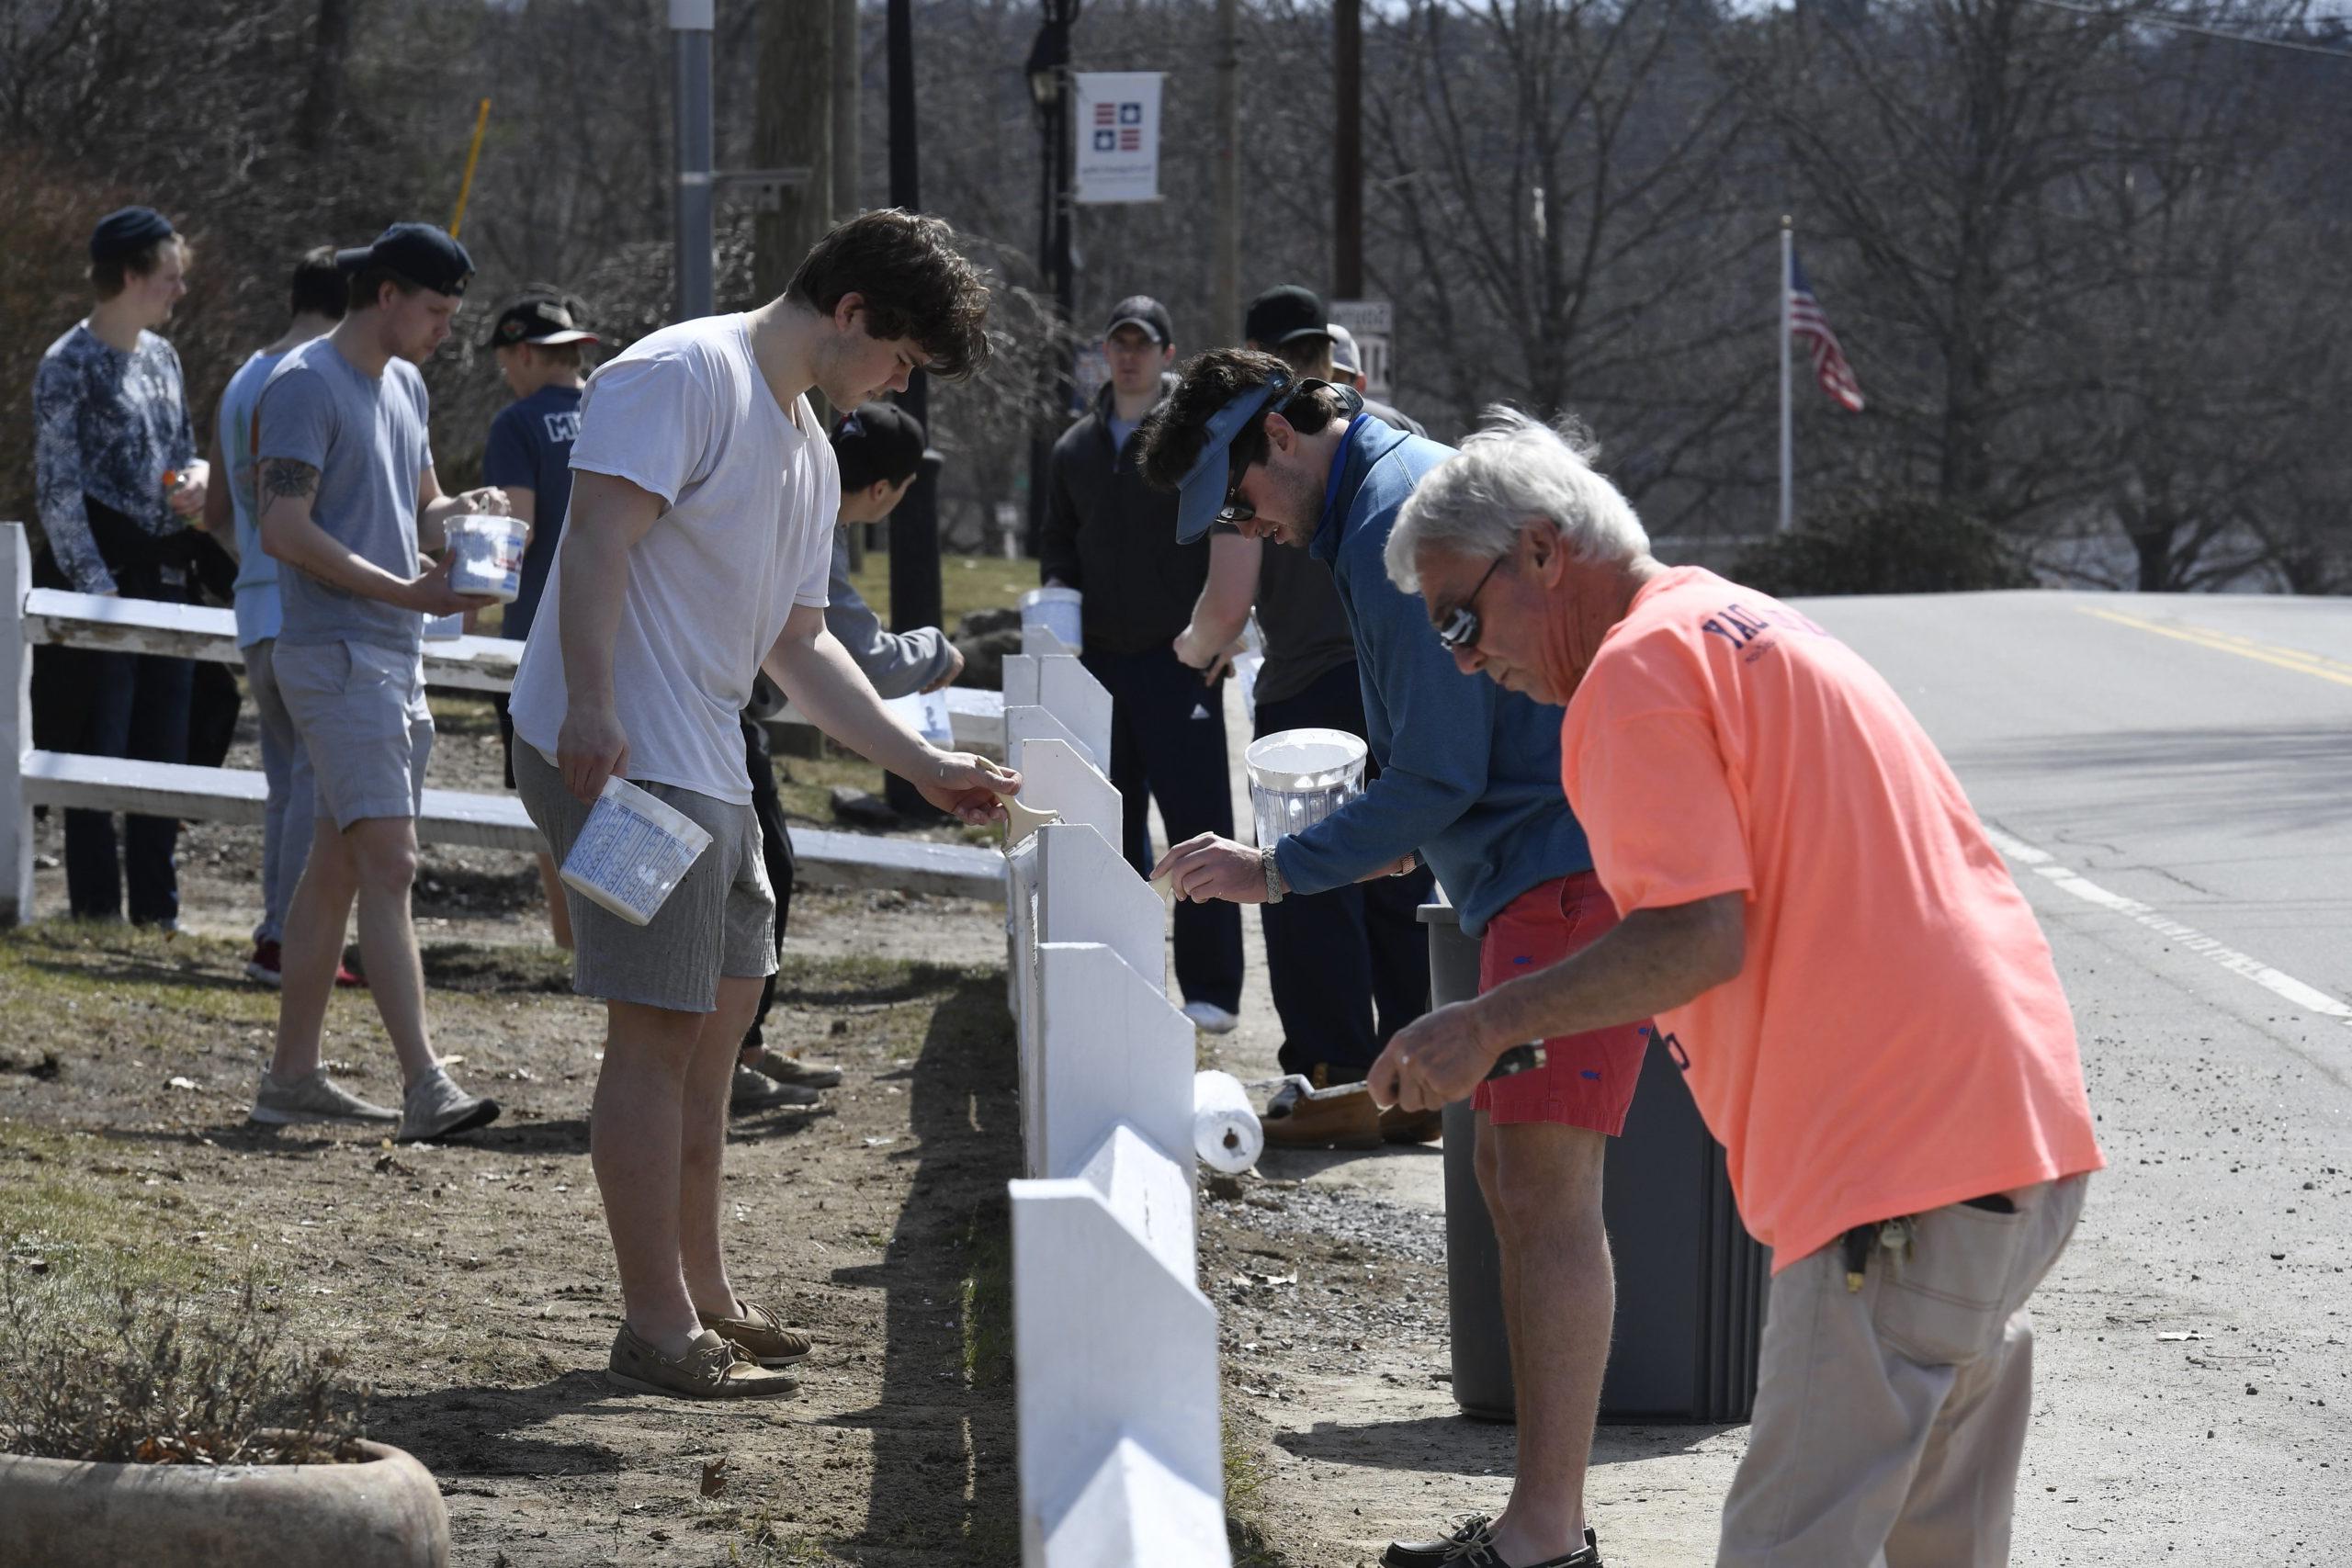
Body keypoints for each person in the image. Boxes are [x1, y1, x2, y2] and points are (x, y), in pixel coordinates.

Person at [1374, 409, 2107, 1568]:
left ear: (1543, 552)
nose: (1464, 659)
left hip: (1895, 1175)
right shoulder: (1747, 623)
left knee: (1785, 1549)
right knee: (1940, 1548)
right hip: (2016, 1136)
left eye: (1460, 617)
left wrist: (1489, 1021)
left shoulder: (1633, 671)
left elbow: (1694, 935)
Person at [1140, 352, 1640, 1568]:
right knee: (1516, 1190)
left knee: (1545, 1194)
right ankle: (1544, 1523)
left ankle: (1544, 1535)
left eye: (1235, 492)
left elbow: (1440, 772)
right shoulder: (1384, 490)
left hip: (1564, 869)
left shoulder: (1383, 519)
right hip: (1537, 864)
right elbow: (1436, 752)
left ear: (1281, 434)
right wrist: (1375, 832)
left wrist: (1278, 865)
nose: (1241, 522)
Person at [507, 209, 1016, 1399]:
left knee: (718, 1032)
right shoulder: (683, 373)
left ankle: (705, 1292)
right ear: (849, 315)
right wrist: (590, 703)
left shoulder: (811, 447)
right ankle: (654, 1321)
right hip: (622, 764)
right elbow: (594, 545)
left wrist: (919, 761)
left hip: (712, 768)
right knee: (655, 1029)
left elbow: (803, 649)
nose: (896, 385)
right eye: (898, 359)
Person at [245, 222, 507, 1145]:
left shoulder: (406, 383)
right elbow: (283, 526)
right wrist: (405, 587)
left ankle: (291, 1079)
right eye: (436, 311)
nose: (445, 329)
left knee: (337, 869)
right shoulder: (304, 385)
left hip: (394, 654)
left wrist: (461, 512)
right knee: (390, 863)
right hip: (334, 653)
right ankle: (425, 1083)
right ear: (387, 293)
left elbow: (421, 503)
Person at [1169, 283, 1431, 1141]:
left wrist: (1191, 652)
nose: (1250, 524)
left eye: (1243, 509)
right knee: (1397, 877)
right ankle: (1418, 1076)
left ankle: (1333, 1078)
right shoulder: (1386, 438)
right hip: (1376, 684)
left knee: (1318, 891)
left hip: (1309, 694)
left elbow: (1226, 609)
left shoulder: (1269, 460)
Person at [728, 400, 962, 1114]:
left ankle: (744, 1045)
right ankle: (725, 1056)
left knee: (766, 874)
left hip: (728, 708)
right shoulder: (814, 512)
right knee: (757, 880)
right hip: (715, 711)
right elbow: (860, 655)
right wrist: (940, 653)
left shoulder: (793, 476)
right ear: (887, 491)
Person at [1041, 296, 1244, 1034]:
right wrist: (1058, 598)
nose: (1128, 355)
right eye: (1117, 342)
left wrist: (1220, 628)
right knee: (1111, 828)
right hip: (1101, 662)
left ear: (1167, 354)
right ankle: (1122, 972)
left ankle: (1213, 989)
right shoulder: (1073, 450)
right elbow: (1058, 540)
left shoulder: (1193, 444)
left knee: (1198, 826)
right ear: (1106, 353)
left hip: (1179, 659)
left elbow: (1229, 539)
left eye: (1143, 344)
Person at [30, 206, 209, 928]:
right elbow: (57, 488)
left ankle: (158, 914)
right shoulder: (65, 364)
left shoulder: (164, 358)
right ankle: (97, 911)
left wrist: (194, 479)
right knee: (94, 745)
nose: (179, 290)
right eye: (169, 276)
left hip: (164, 574)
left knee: (164, 747)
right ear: (132, 275)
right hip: (97, 580)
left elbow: (183, 450)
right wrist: (95, 594)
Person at [203, 244, 358, 987]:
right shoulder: (318, 375)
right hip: (304, 606)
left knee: (287, 784)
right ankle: (288, 941)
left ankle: (276, 932)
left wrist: (253, 569)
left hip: (253, 603)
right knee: (317, 785)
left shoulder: (241, 377)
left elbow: (212, 510)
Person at [481, 291, 598, 952]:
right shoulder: (614, 413)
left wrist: (465, 594)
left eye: (505, 361)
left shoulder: (517, 424)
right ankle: (617, 935)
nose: (506, 374)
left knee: (548, 798)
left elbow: (514, 533)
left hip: (536, 638)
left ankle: (572, 940)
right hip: (619, 632)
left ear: (525, 353)